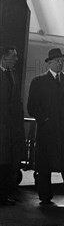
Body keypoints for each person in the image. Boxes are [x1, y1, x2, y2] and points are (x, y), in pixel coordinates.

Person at [27, 48, 64, 206]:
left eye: (62, 61)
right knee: (45, 166)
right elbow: (32, 106)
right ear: (49, 63)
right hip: (47, 132)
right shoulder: (38, 82)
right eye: (57, 61)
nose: (61, 63)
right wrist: (44, 119)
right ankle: (45, 197)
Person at [0, 46, 25, 206]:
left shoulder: (12, 74)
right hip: (2, 126)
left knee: (7, 162)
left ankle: (4, 194)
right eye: (13, 56)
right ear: (4, 57)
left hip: (10, 128)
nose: (16, 59)